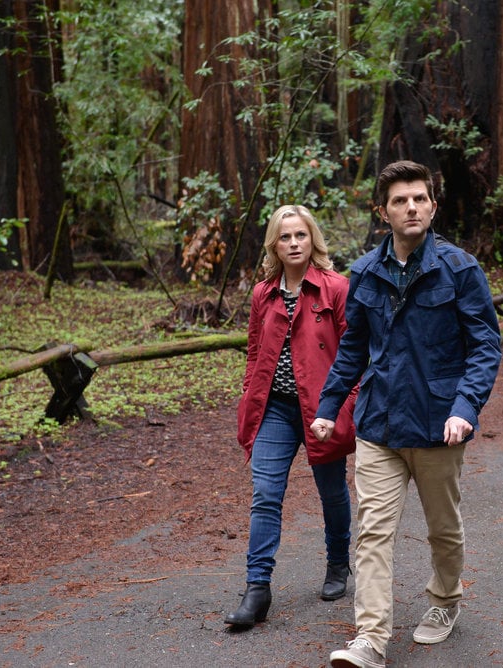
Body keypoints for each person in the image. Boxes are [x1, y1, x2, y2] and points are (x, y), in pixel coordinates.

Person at [310, 160, 502, 667]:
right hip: (380, 424)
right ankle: (370, 640)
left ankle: (444, 600)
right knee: (373, 530)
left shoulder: (459, 269)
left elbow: (485, 345)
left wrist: (465, 408)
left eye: (419, 198)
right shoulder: (366, 272)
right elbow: (353, 346)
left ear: (433, 207)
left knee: (443, 528)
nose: (411, 207)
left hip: (440, 426)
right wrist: (330, 406)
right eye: (400, 200)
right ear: (384, 212)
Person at [225, 204, 357, 629]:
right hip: (275, 409)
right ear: (275, 245)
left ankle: (338, 562)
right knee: (265, 494)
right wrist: (250, 393)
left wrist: (340, 409)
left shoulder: (336, 288)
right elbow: (253, 352)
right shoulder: (264, 293)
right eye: (285, 237)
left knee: (331, 491)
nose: (294, 243)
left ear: (312, 239)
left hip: (322, 409)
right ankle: (257, 589)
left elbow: (354, 355)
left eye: (301, 235)